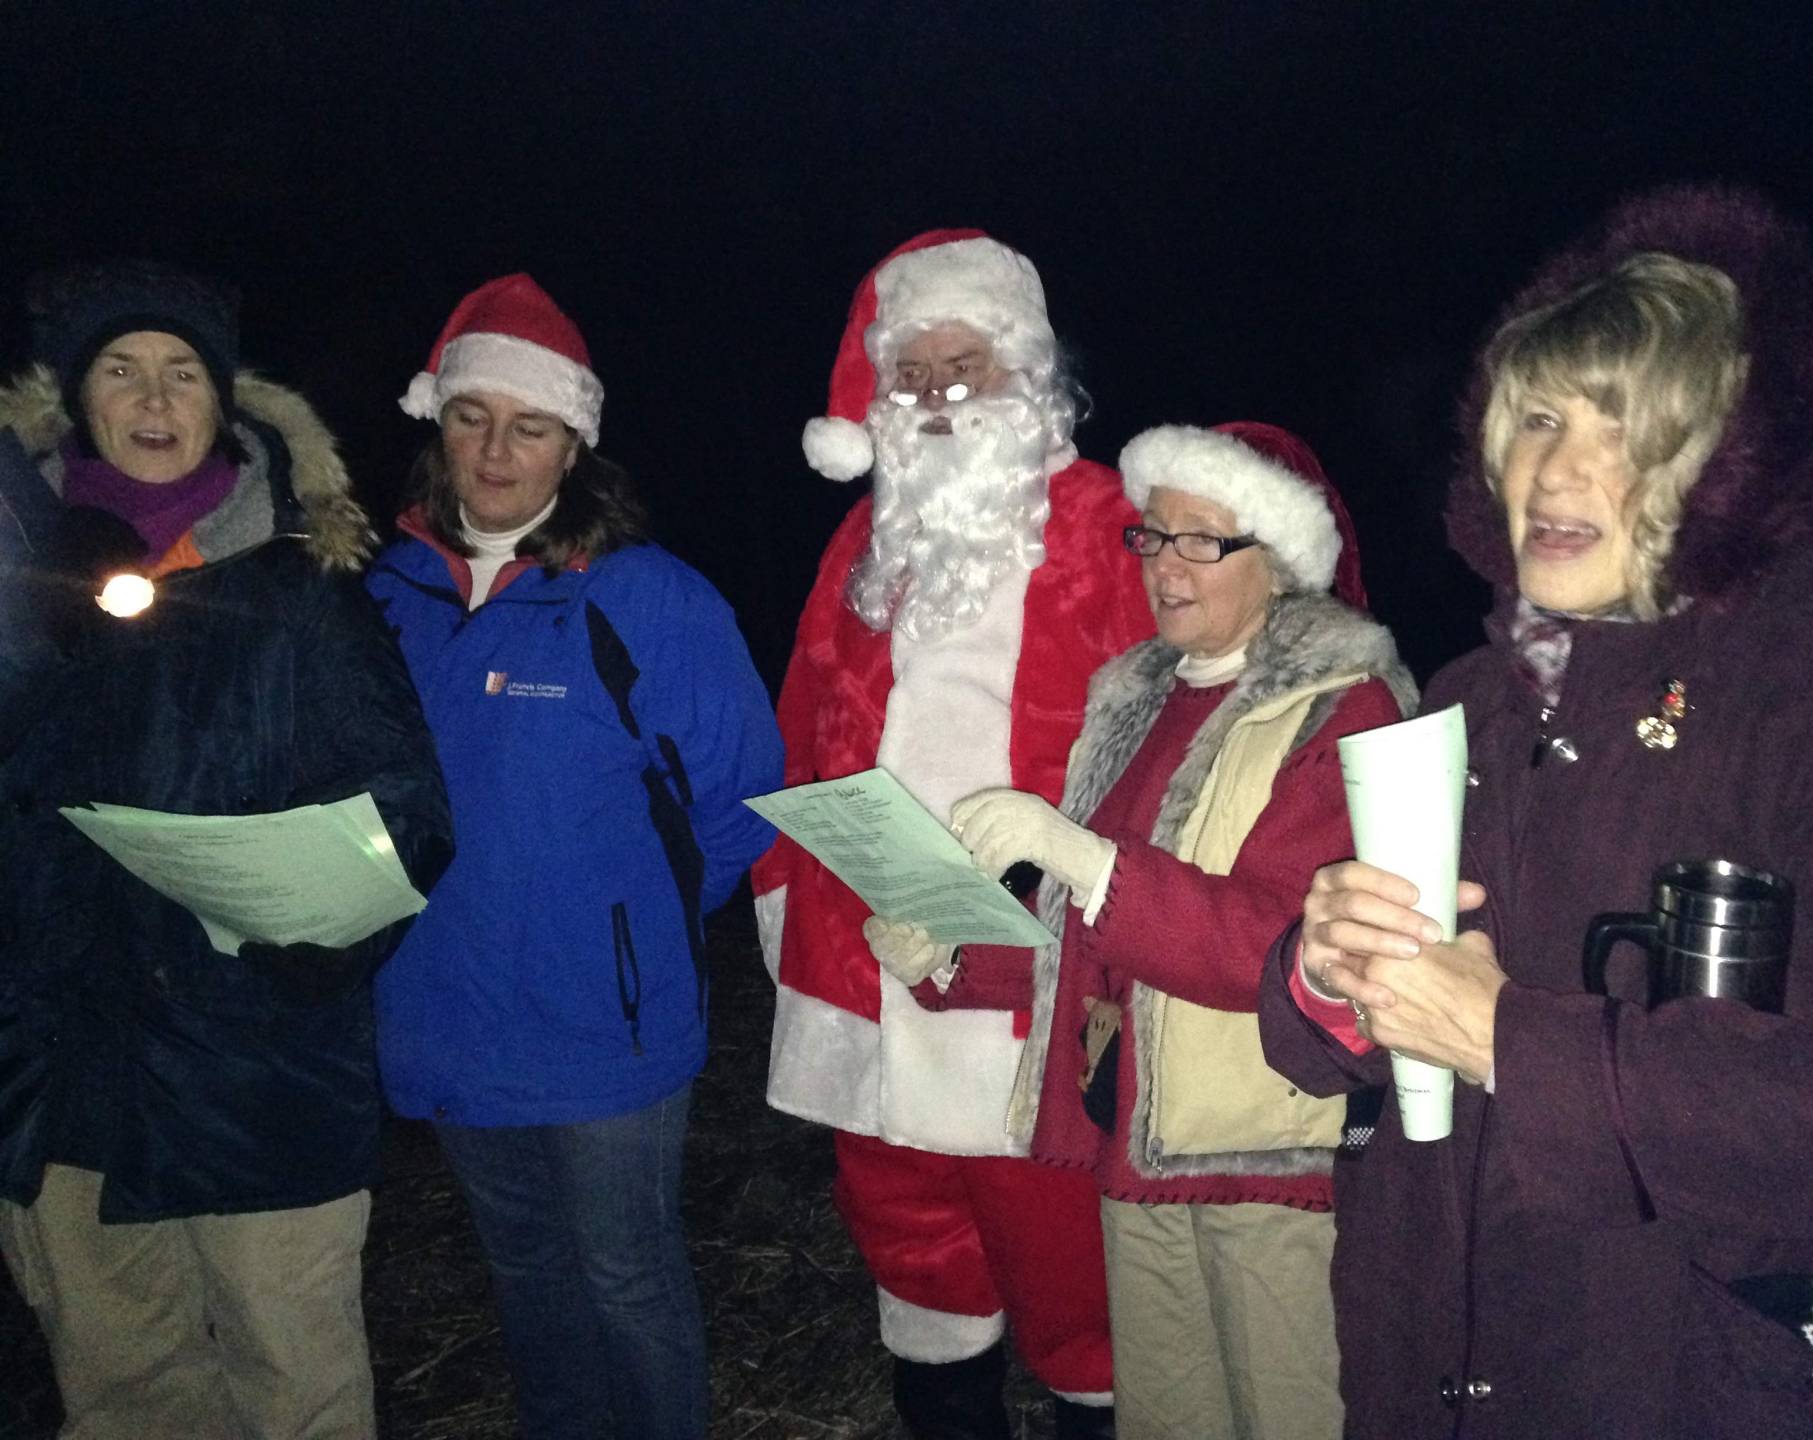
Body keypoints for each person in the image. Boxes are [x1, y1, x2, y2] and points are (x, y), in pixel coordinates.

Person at [1257, 185, 1813, 1438]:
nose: (1559, 468)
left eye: (1623, 428)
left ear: (1723, 466)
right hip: (1433, 1356)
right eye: (1540, 417)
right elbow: (1342, 1046)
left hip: (1687, 1380)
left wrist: (1512, 1040)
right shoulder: (1467, 699)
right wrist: (1324, 975)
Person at [0, 259, 453, 1439]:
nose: (153, 398)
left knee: (293, 1392)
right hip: (67, 1079)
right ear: (77, 401)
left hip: (260, 1074)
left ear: (224, 407)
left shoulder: (302, 591)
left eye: (182, 373)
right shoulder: (12, 581)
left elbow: (408, 812)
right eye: (121, 370)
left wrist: (312, 930)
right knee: (124, 1395)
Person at [890, 421, 1414, 1437]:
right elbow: (1097, 937)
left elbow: (1275, 946)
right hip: (1135, 1140)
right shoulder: (1137, 699)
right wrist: (954, 954)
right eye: (1153, 537)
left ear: (1285, 562)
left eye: (1201, 541)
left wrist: (1084, 856)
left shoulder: (1342, 712)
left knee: (1290, 1420)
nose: (1165, 565)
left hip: (1268, 1160)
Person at [366, 272, 782, 1440]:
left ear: (573, 446)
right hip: (441, 1007)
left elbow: (743, 797)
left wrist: (629, 921)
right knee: (525, 1278)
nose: (496, 451)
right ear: (436, 426)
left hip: (605, 1021)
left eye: (529, 426)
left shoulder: (645, 598)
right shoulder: (382, 600)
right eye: (471, 418)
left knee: (626, 1276)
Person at [755, 229, 1153, 1438]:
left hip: (1034, 977)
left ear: (1028, 378)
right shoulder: (865, 544)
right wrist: (785, 899)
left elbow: (1169, 749)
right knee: (916, 1270)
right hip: (871, 960)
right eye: (911, 374)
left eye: (962, 364)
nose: (935, 395)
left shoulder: (1111, 528)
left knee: (1078, 1294)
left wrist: (1125, 957)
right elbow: (803, 720)